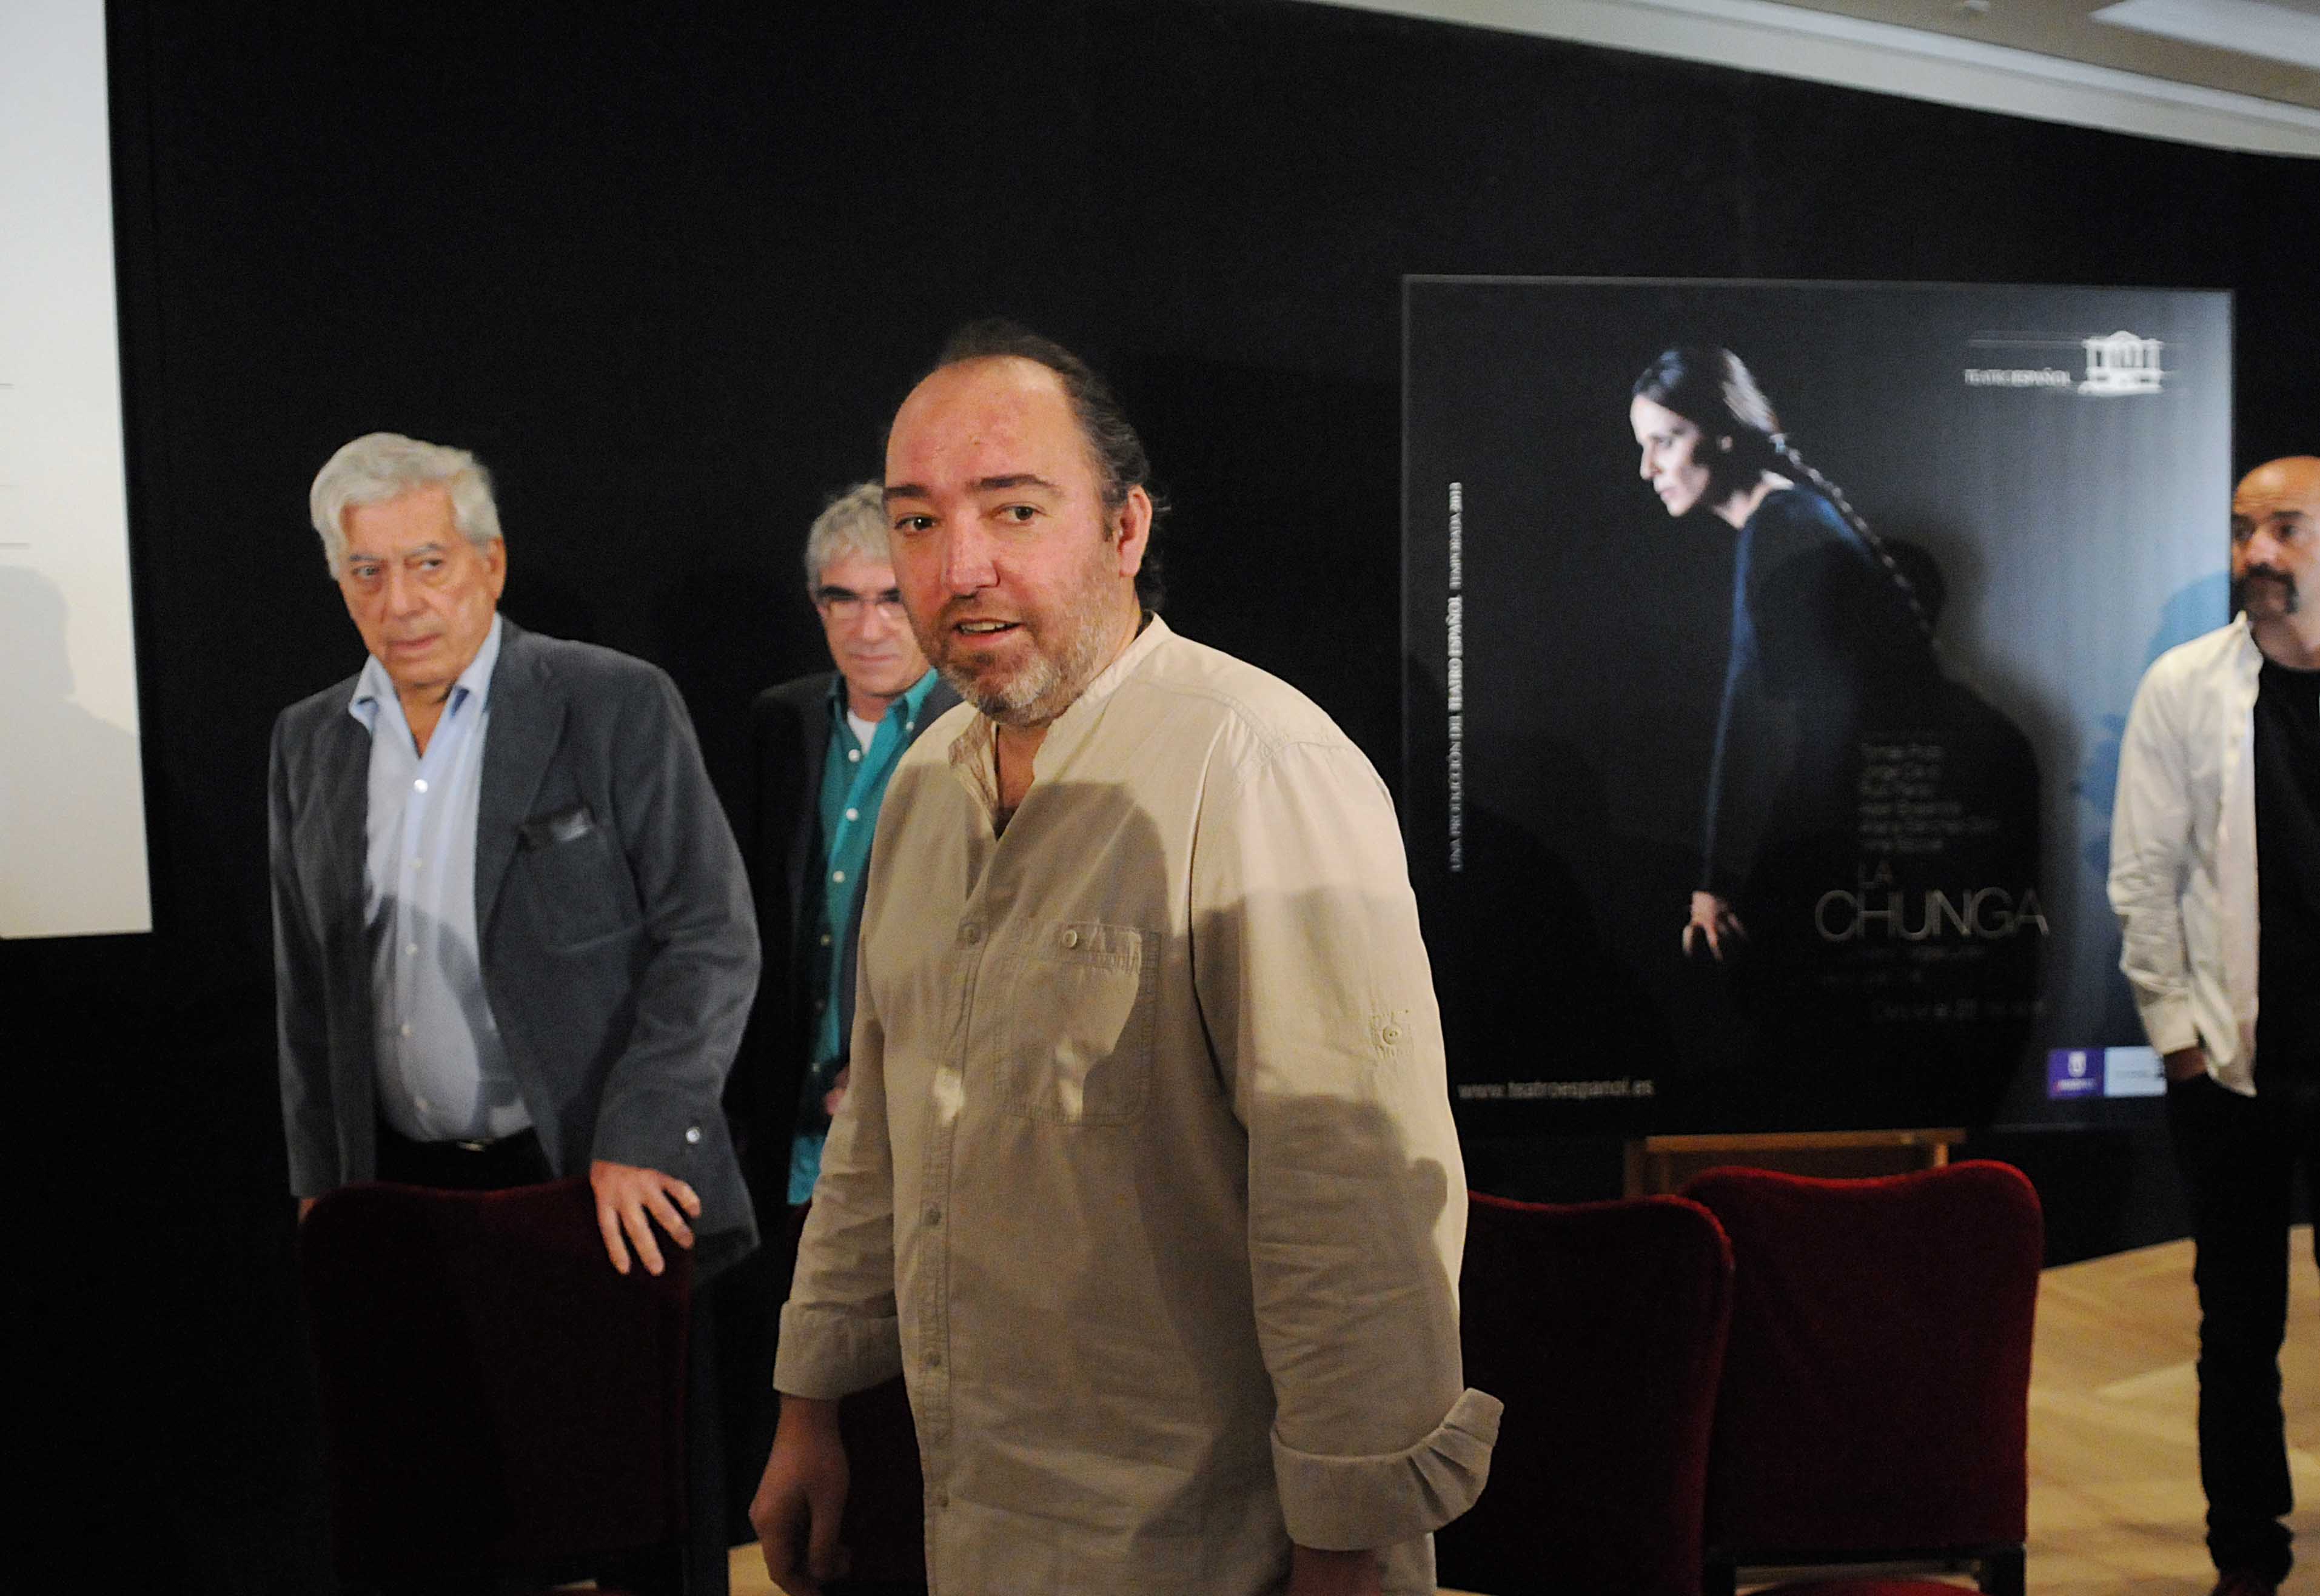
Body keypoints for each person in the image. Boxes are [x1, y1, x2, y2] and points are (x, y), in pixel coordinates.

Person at [749, 323, 1498, 1596]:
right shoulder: (926, 786)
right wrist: (808, 1401)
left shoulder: (1257, 766)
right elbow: (879, 1124)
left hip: (1212, 1543)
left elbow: (1354, 1206)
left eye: (1015, 509)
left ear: (1124, 529)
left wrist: (1349, 1546)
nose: (961, 567)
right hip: (975, 1516)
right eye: (917, 522)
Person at [270, 432, 760, 1281]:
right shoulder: (308, 739)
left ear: (490, 563)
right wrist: (322, 1181)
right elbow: (306, 987)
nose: (400, 602)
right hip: (393, 1194)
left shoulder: (612, 701)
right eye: (367, 572)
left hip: (594, 1181)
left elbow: (711, 938)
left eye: (428, 564)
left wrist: (643, 1134)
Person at [716, 481, 954, 1542]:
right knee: (799, 1389)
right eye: (841, 599)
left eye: (890, 598)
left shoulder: (977, 721)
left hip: (916, 1117)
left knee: (902, 1413)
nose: (867, 625)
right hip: (788, 1123)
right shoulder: (782, 720)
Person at [2110, 455, 2320, 1596]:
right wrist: (2179, 1044)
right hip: (2233, 1071)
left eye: (2285, 528)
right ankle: (2246, 1555)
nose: (2256, 553)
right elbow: (2142, 878)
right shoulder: (2184, 686)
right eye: (2244, 529)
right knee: (2236, 1331)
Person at [1627, 346, 1931, 963]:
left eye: (1665, 441)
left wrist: (1717, 881)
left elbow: (1754, 713)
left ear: (1722, 433)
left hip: (1854, 842)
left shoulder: (1782, 526)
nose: (1647, 468)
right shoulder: (1789, 518)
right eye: (1644, 445)